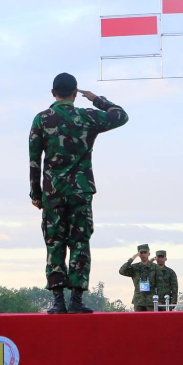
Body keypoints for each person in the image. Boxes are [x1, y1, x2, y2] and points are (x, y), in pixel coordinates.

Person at [29, 73, 128, 314]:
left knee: (55, 243)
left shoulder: (42, 119)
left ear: (53, 93)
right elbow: (121, 116)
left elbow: (34, 159)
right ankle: (76, 300)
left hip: (53, 192)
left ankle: (57, 301)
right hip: (80, 191)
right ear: (75, 93)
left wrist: (36, 193)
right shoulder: (87, 116)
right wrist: (97, 99)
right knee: (80, 243)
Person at [118, 244, 156, 311]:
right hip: (139, 301)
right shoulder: (134, 267)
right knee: (138, 321)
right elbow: (121, 271)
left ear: (148, 253)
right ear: (139, 254)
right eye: (141, 253)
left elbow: (160, 283)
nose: (143, 254)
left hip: (151, 301)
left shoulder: (154, 267)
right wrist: (132, 258)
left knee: (151, 320)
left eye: (145, 252)